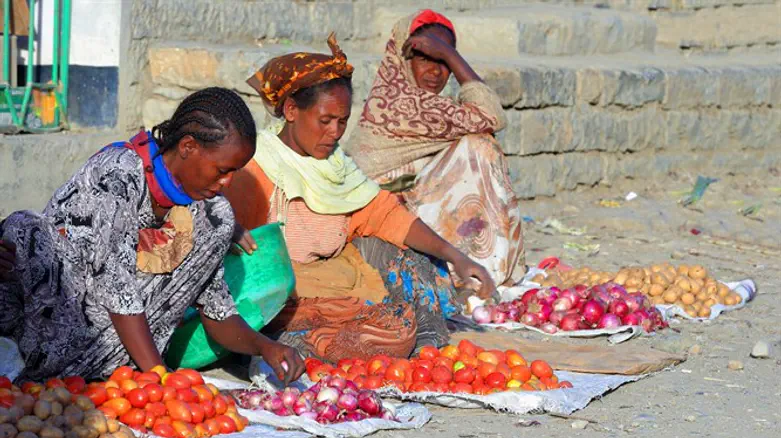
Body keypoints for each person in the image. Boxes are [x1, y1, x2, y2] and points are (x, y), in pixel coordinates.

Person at [0, 87, 304, 383]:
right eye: (222, 169)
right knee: (24, 229)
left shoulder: (211, 214)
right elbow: (115, 287)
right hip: (43, 332)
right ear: (187, 147)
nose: (227, 182)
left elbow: (217, 311)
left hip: (108, 362)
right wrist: (161, 380)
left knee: (220, 220)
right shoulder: (118, 175)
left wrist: (265, 347)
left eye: (235, 172)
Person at [224, 33, 495, 363]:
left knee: (409, 260)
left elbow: (386, 215)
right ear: (292, 110)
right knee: (376, 334)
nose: (335, 133)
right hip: (280, 293)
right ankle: (280, 347)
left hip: (337, 279)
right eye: (325, 121)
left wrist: (457, 256)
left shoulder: (337, 167)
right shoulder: (255, 168)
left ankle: (425, 342)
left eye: (342, 122)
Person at [346, 9, 525, 288]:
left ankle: (472, 267)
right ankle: (473, 269)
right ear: (404, 61)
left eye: (443, 62)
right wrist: (453, 57)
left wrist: (448, 54)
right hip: (379, 228)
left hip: (401, 219)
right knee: (480, 147)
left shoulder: (426, 106)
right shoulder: (401, 106)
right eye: (424, 58)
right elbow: (492, 114)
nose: (435, 71)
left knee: (474, 141)